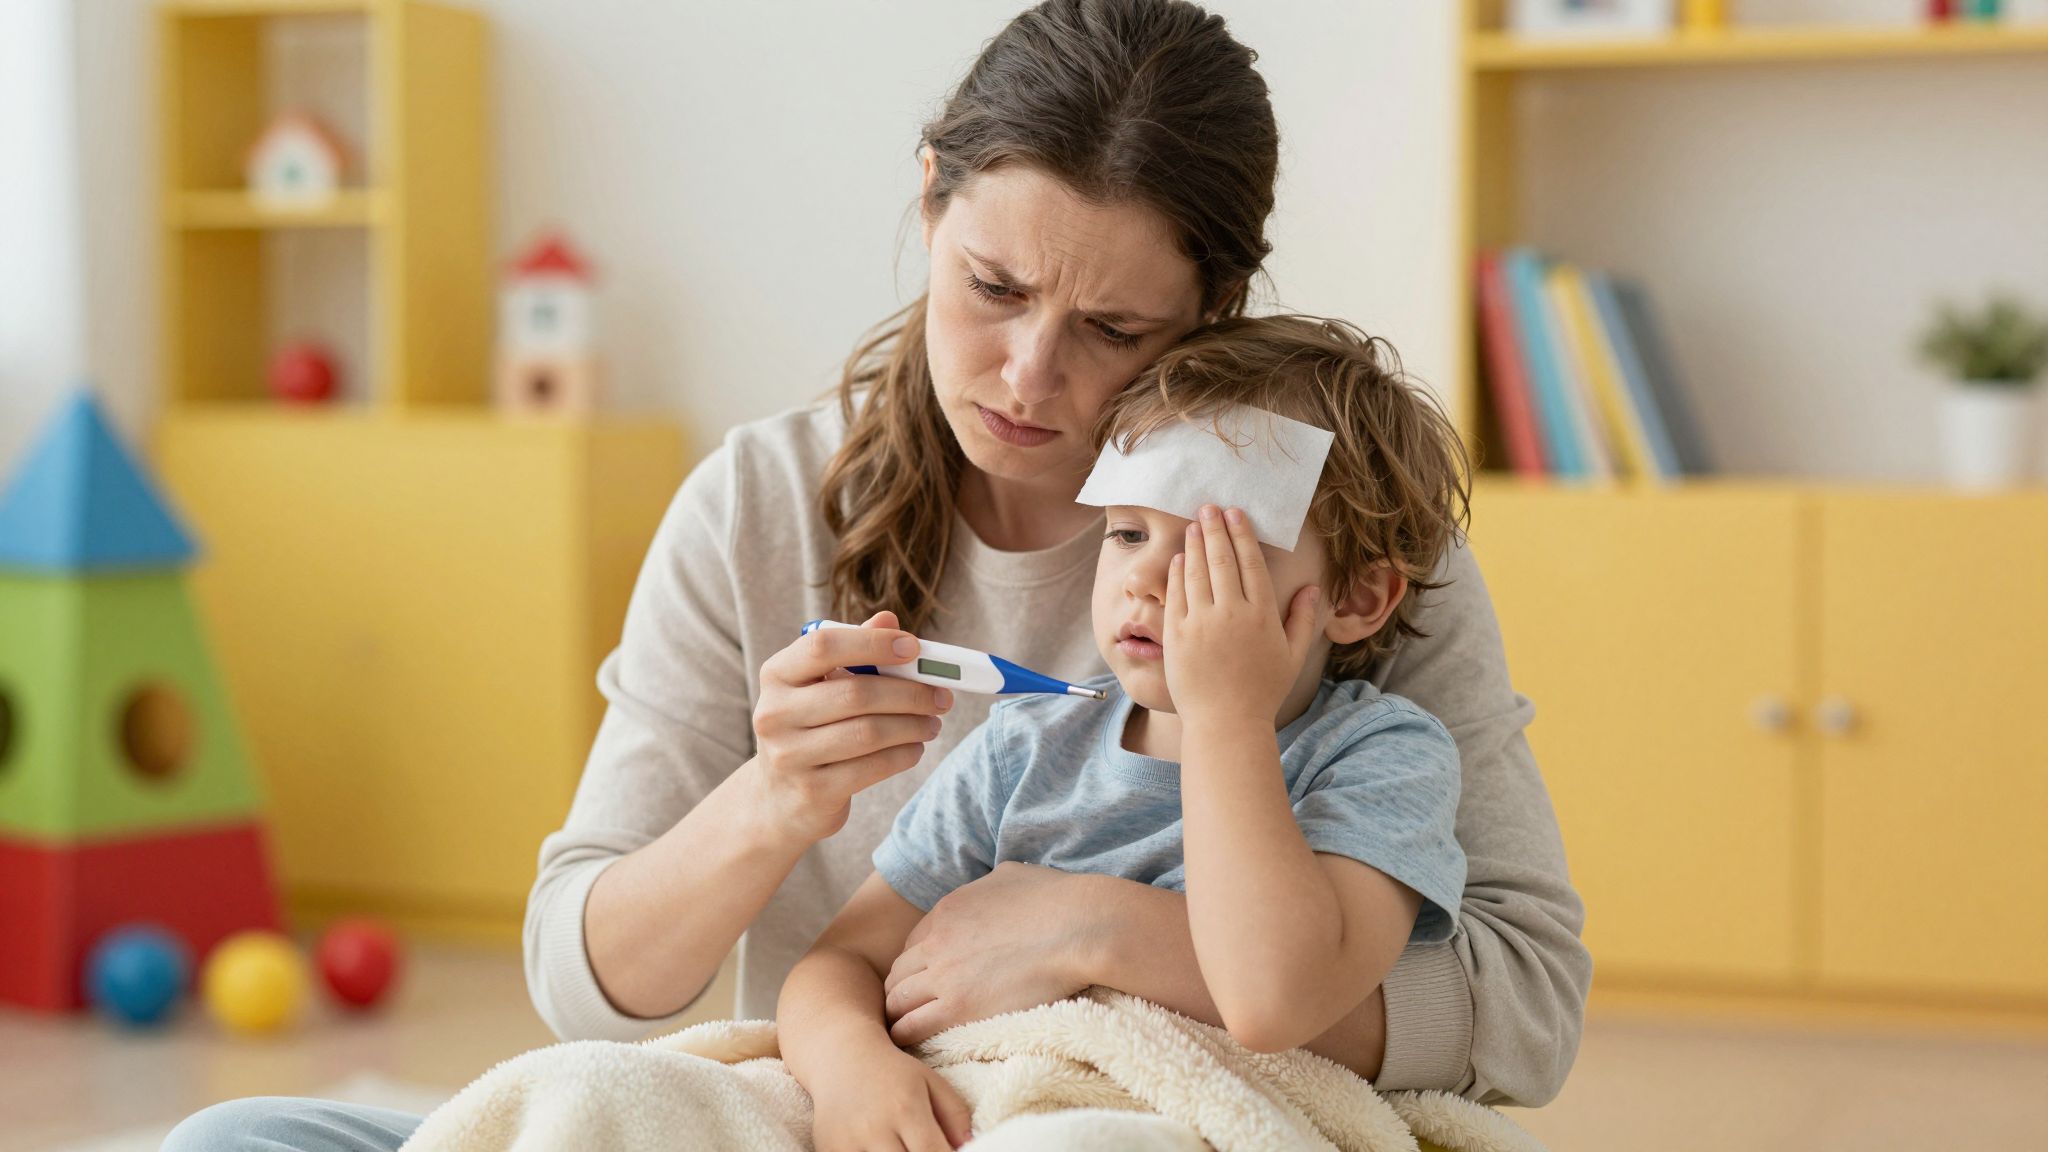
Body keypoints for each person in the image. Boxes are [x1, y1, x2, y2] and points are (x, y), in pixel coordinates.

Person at [165, 2, 1587, 1147]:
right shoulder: (760, 505)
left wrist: (1090, 935)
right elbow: (587, 988)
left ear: (1209, 311)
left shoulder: (1325, 540)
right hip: (838, 1111)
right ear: (929, 204)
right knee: (243, 1140)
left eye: (1111, 328)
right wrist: (775, 805)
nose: (1030, 376)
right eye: (993, 289)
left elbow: (1523, 1008)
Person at [781, 315, 1473, 1150]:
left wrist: (1225, 715)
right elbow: (837, 965)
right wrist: (854, 1065)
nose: (1145, 577)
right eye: (1129, 532)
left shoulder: (1382, 758)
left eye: (1216, 554)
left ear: (1356, 599)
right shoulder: (1025, 745)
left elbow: (1272, 998)